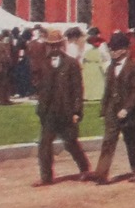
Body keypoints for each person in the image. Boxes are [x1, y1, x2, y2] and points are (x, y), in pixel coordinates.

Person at [31, 27, 90, 186]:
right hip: (49, 112)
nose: (54, 48)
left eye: (57, 45)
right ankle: (46, 177)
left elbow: (78, 89)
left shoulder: (71, 63)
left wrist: (77, 111)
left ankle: (85, 169)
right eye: (51, 45)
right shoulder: (43, 64)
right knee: (44, 144)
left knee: (70, 142)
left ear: (62, 45)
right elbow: (40, 87)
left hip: (66, 111)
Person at [91, 31, 135, 185]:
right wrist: (104, 109)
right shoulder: (111, 67)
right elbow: (108, 90)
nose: (112, 52)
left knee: (131, 141)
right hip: (112, 109)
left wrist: (127, 108)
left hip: (128, 111)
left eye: (115, 49)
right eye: (110, 49)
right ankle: (101, 174)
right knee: (108, 140)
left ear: (124, 50)